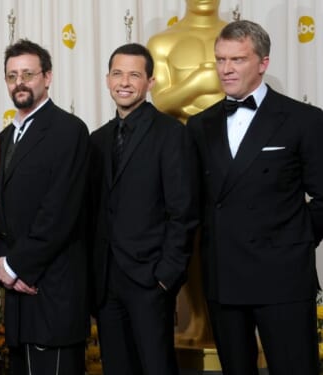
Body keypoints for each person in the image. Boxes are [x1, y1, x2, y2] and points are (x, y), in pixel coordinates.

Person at [187, 20, 323, 374]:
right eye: (220, 60)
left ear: (263, 62)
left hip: (284, 278)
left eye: (237, 59)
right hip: (223, 276)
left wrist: (293, 242)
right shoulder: (200, 125)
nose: (226, 69)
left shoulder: (303, 119)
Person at [89, 43, 198, 375]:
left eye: (134, 75)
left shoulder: (170, 134)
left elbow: (184, 210)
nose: (124, 82)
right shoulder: (97, 139)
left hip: (150, 280)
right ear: (107, 79)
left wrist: (166, 276)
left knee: (156, 367)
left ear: (150, 82)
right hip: (106, 283)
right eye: (118, 74)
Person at [0, 39, 90, 374]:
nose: (19, 82)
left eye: (28, 74)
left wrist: (17, 265)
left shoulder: (69, 131)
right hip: (18, 295)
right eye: (12, 75)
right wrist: (2, 263)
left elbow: (61, 211)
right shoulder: (2, 139)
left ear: (47, 77)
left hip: (53, 288)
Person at [147, 0, 228, 346]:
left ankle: (232, 322)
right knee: (188, 238)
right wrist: (202, 79)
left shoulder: (237, 37)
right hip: (182, 155)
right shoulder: (162, 42)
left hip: (231, 152)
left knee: (230, 236)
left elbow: (244, 93)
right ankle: (198, 320)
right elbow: (162, 101)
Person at [147, 0, 226, 124]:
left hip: (235, 135)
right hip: (181, 135)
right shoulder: (161, 43)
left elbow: (251, 93)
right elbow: (160, 103)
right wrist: (198, 82)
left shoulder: (242, 40)